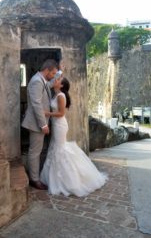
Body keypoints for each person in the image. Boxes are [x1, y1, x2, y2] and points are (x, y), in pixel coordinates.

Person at [40, 77, 108, 197]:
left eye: (58, 81)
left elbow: (61, 113)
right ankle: (56, 178)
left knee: (60, 149)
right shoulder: (56, 95)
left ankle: (68, 181)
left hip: (60, 125)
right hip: (56, 124)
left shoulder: (61, 96)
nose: (55, 81)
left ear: (61, 86)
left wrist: (47, 113)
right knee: (56, 148)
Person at [21, 59, 58, 190]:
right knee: (35, 152)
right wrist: (43, 125)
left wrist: (60, 73)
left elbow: (50, 85)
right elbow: (36, 104)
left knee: (36, 150)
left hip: (39, 122)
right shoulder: (37, 81)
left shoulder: (42, 80)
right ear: (46, 70)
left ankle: (35, 176)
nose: (53, 76)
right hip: (37, 123)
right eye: (53, 73)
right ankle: (34, 179)